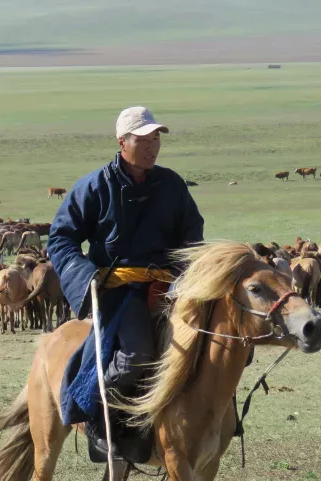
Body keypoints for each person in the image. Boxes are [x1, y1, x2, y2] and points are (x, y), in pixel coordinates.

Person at [47, 106, 204, 460]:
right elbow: (61, 239)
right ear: (122, 142)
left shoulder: (172, 185)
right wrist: (88, 277)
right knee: (136, 355)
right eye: (143, 139)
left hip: (169, 285)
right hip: (119, 288)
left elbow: (192, 235)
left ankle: (214, 421)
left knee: (211, 342)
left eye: (157, 138)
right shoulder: (94, 186)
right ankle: (99, 414)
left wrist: (188, 274)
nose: (152, 146)